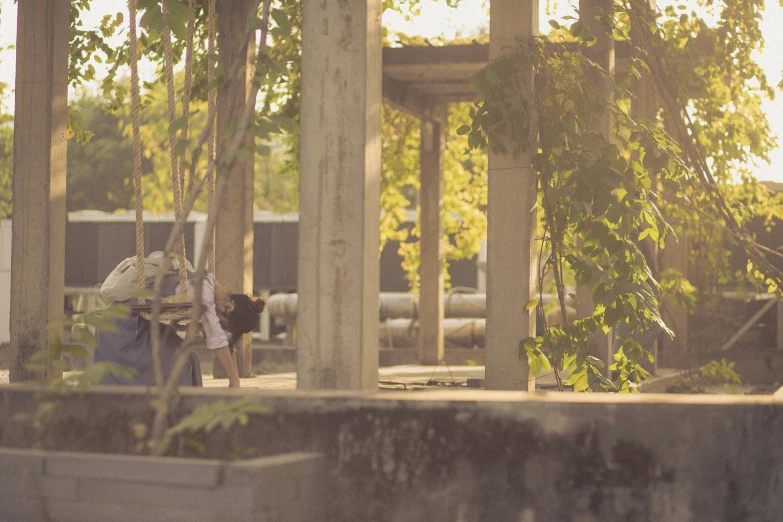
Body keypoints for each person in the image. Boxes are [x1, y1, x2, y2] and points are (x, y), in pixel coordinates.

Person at [93, 252, 265, 388]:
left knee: (191, 358)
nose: (216, 325)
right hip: (123, 329)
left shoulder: (209, 285)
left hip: (139, 326)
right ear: (226, 307)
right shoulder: (204, 294)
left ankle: (190, 409)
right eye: (221, 323)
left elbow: (227, 343)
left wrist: (234, 379)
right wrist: (234, 381)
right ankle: (176, 412)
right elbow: (218, 341)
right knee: (179, 364)